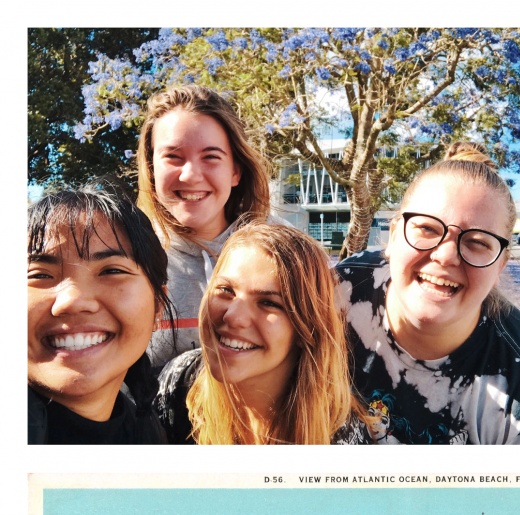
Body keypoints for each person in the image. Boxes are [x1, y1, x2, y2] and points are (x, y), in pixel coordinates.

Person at [336, 141, 520, 444]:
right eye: (427, 229)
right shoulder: (340, 289)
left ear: (500, 265)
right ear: (394, 236)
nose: (446, 256)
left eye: (477, 241)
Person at [155, 222, 369, 444]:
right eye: (226, 290)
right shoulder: (178, 382)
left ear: (307, 327)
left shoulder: (340, 438)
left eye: (269, 303)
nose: (233, 316)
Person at [137, 84, 271, 369]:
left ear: (235, 170)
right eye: (173, 157)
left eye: (211, 157)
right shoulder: (127, 259)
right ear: (151, 168)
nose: (191, 175)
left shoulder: (282, 254)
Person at [28, 186, 175, 444]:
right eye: (40, 275)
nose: (72, 301)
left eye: (111, 271)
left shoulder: (149, 433)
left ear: (157, 307)